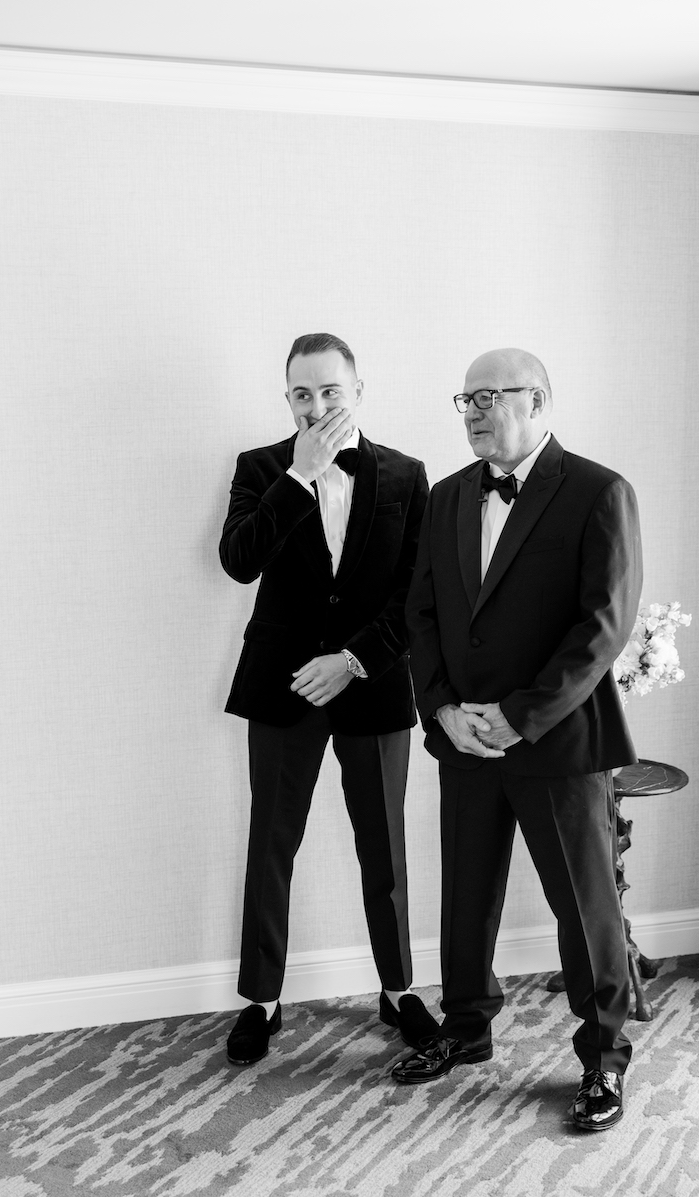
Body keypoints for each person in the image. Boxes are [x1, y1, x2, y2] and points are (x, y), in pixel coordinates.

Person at [396, 348, 642, 1132]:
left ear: (536, 401)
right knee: (466, 896)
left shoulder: (599, 491)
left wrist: (520, 715)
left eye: (489, 396)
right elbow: (421, 615)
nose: (473, 411)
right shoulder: (446, 497)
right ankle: (466, 1028)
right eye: (465, 399)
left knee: (585, 910)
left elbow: (602, 625)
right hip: (464, 739)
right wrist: (442, 710)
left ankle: (603, 1056)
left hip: (557, 741)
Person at [220, 332, 437, 1065]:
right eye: (302, 394)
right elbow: (238, 562)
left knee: (385, 846)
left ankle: (399, 989)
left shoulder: (407, 475)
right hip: (282, 687)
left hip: (371, 682)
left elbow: (416, 593)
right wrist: (298, 477)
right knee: (271, 844)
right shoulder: (259, 468)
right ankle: (261, 999)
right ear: (287, 399)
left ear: (358, 391)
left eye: (330, 391)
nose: (316, 407)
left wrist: (352, 661)